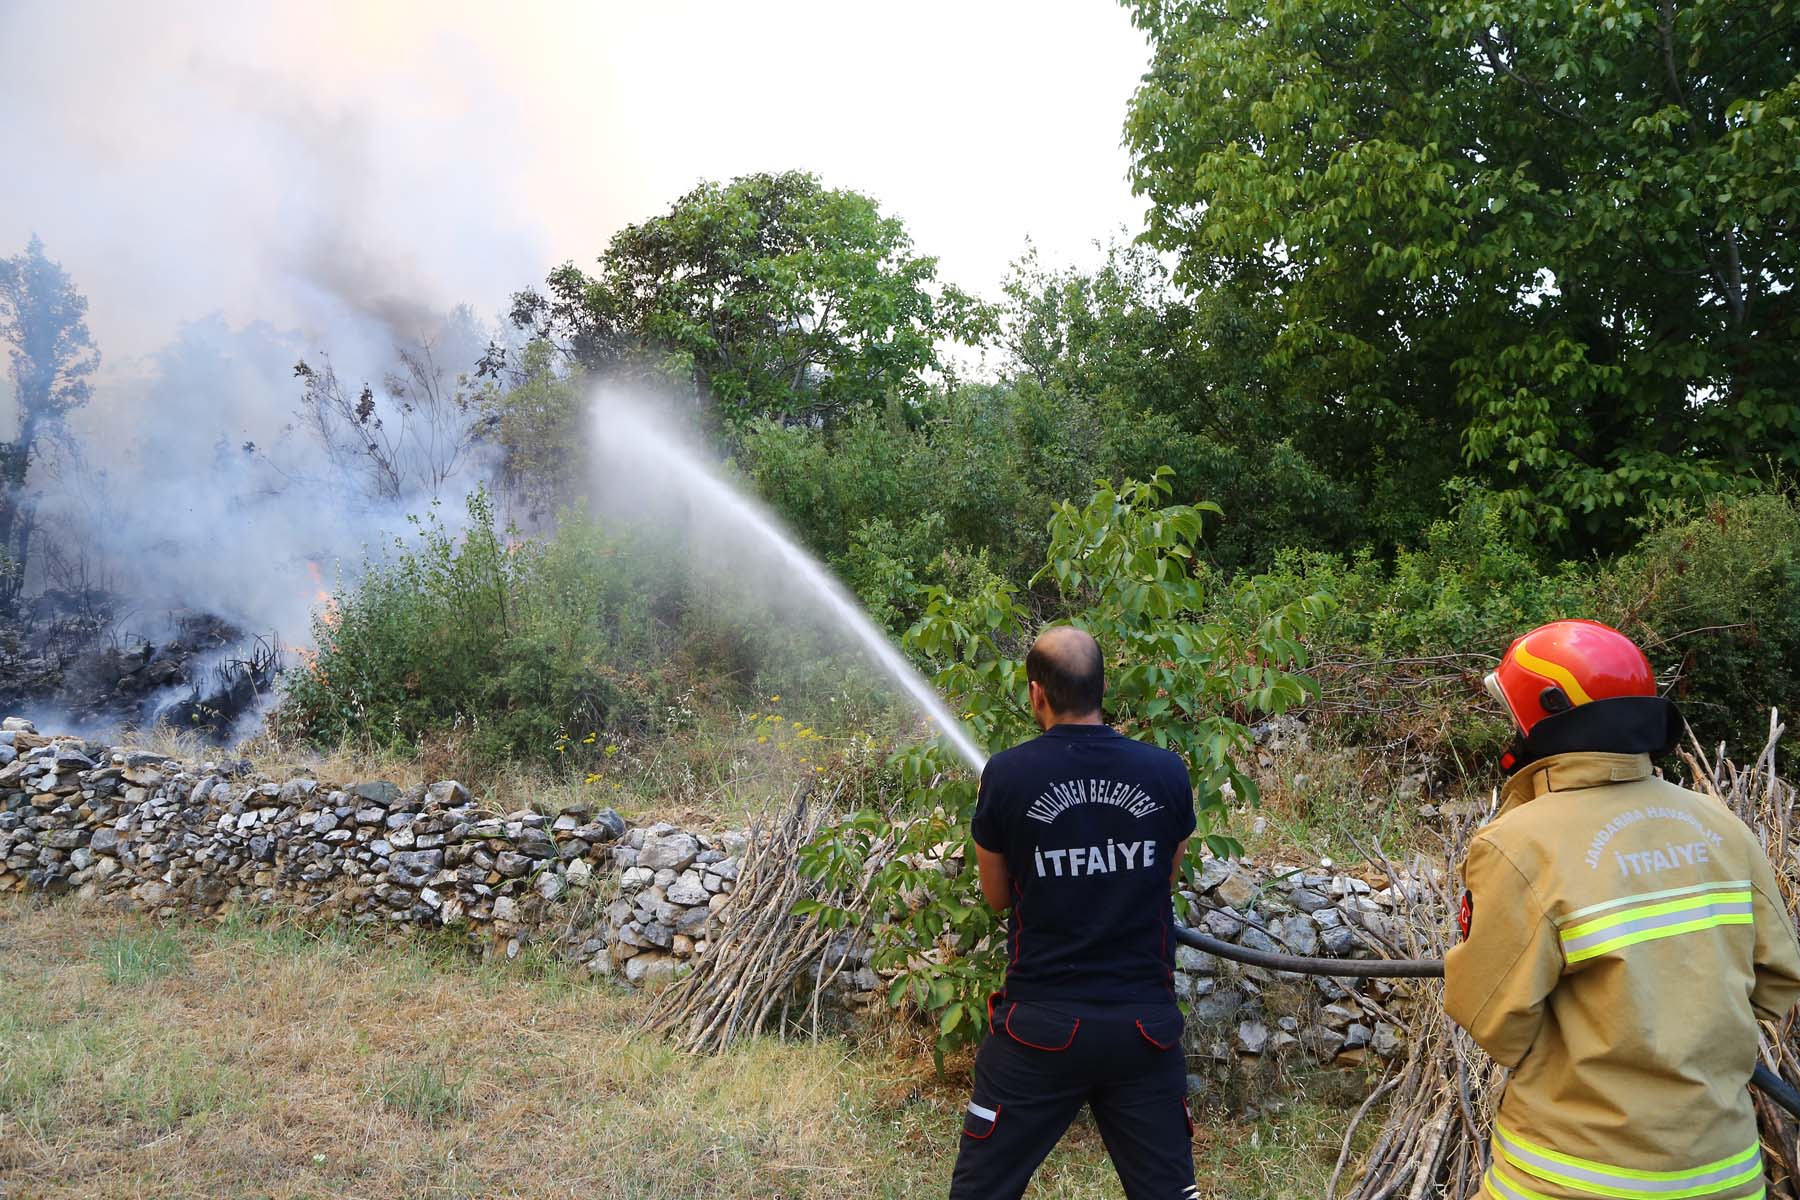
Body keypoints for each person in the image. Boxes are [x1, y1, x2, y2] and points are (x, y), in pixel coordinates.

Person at [1445, 619, 1800, 1200]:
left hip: (1567, 1177)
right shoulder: (1719, 826)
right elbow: (1779, 980)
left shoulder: (1518, 845)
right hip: (1726, 1175)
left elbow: (1493, 1020)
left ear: (1543, 714)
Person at [949, 625, 1198, 1200]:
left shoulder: (1007, 775)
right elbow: (1165, 877)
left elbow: (997, 898)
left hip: (1040, 1030)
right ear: (1103, 688)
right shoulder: (1166, 773)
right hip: (1144, 1032)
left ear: (1036, 693)